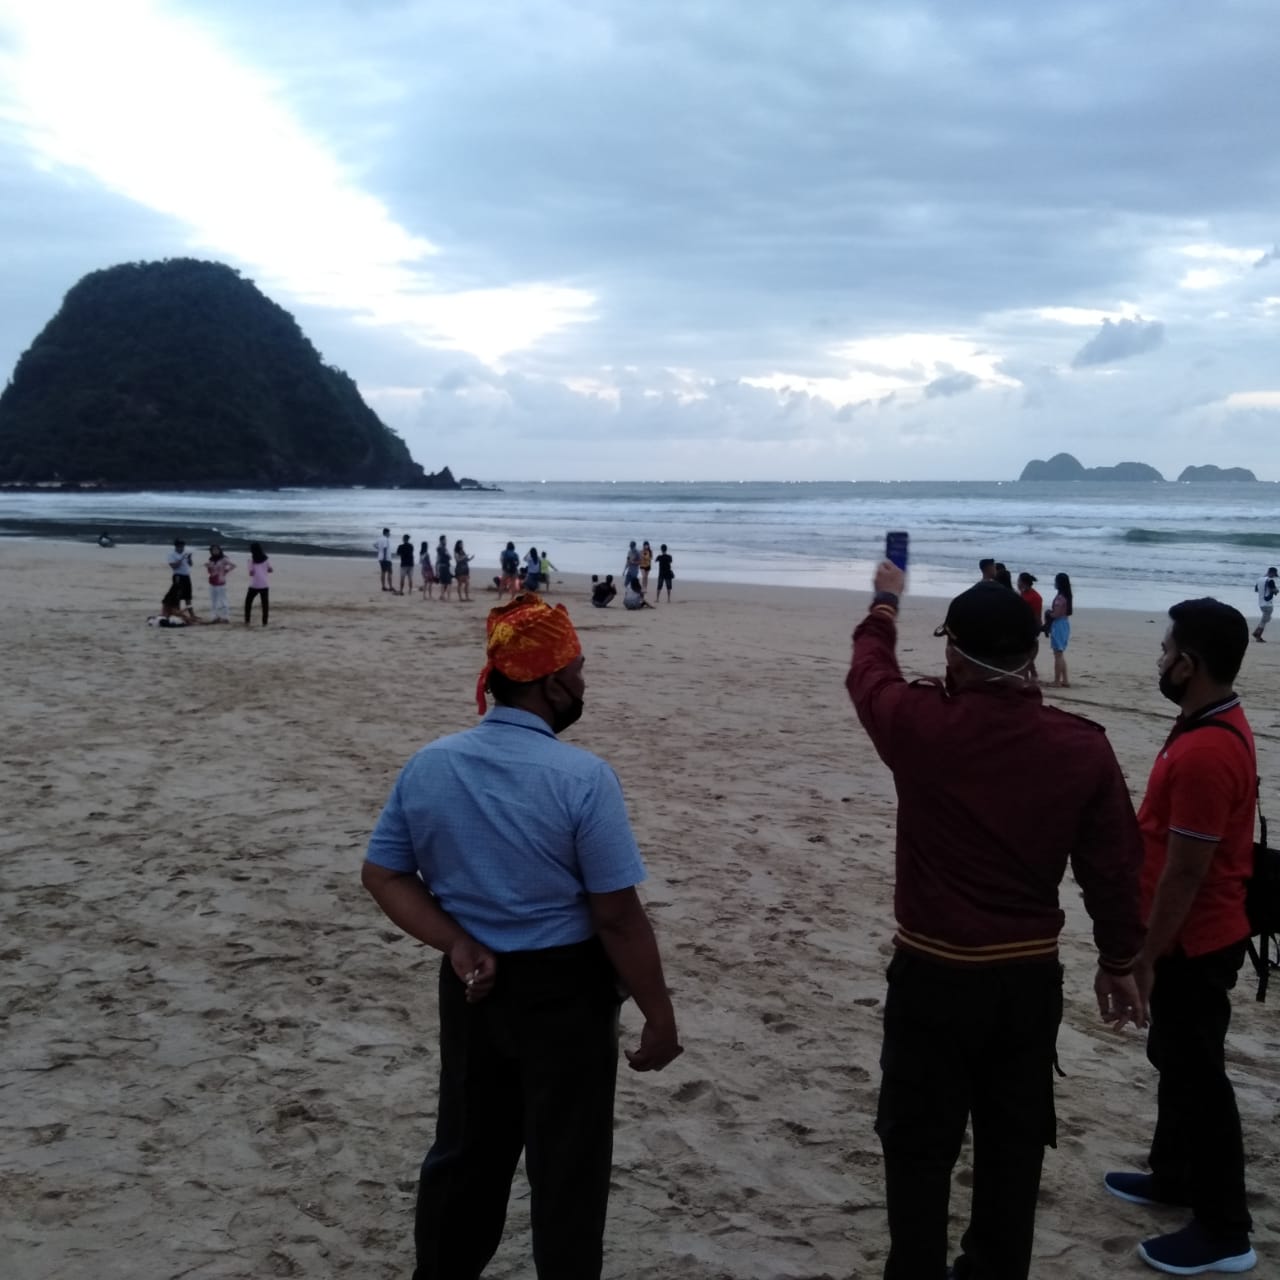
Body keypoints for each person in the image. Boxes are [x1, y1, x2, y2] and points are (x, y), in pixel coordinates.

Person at [361, 593, 682, 1279]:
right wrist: (659, 1013)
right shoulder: (583, 778)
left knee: (467, 1152)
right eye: (581, 670)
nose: (585, 684)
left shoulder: (432, 764)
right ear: (550, 681)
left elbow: (385, 875)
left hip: (474, 985)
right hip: (565, 991)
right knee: (568, 1167)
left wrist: (454, 941)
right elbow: (617, 916)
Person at [847, 568, 1146, 1280]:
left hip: (933, 977)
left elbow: (868, 674)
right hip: (1024, 981)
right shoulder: (1081, 746)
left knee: (917, 1147)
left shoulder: (922, 726)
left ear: (952, 657)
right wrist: (1118, 958)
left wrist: (884, 604)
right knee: (1012, 1149)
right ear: (1033, 655)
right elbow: (1113, 866)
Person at [1104, 599, 1258, 1276]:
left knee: (1199, 1077)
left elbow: (1187, 871)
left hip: (1195, 939)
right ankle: (1173, 1176)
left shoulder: (1205, 749)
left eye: (1166, 650)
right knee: (1175, 1058)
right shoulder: (1205, 721)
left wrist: (1147, 954)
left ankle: (1226, 1231)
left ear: (1188, 663)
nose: (1160, 660)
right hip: (1190, 935)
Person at [1048, 572, 1073, 687]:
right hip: (1065, 623)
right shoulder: (1067, 596)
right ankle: (1065, 679)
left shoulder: (1060, 598)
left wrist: (1049, 613)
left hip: (1058, 624)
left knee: (1057, 654)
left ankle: (1057, 680)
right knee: (1060, 653)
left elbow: (1056, 614)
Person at [1018, 573, 1043, 682]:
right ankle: (1028, 674)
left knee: (1027, 652)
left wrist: (1037, 629)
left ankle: (1032, 674)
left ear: (1023, 582)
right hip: (1022, 626)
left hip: (1031, 627)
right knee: (1024, 652)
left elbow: (1037, 615)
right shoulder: (1023, 594)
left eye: (1019, 581)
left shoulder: (1035, 597)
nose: (1017, 583)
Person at [205, 544, 236, 623]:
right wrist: (208, 567)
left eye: (216, 550)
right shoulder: (211, 560)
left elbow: (233, 565)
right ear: (211, 551)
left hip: (221, 582)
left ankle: (225, 617)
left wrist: (225, 571)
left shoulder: (224, 559)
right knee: (213, 600)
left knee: (223, 600)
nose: (215, 551)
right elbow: (209, 571)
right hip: (212, 581)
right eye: (213, 550)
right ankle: (214, 616)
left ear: (219, 550)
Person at [245, 542, 272, 626]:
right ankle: (265, 622)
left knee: (248, 603)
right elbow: (270, 570)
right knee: (265, 605)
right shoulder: (266, 559)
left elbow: (251, 573)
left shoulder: (251, 560)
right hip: (264, 584)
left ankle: (247, 620)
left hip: (254, 585)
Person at [1253, 566, 1277, 641]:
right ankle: (1258, 636)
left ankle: (1256, 632)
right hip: (1268, 603)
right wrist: (1276, 590)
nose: (1274, 576)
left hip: (1261, 603)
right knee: (1265, 620)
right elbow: (1274, 590)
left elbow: (1256, 590)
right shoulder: (1270, 580)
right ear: (1272, 573)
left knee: (1266, 619)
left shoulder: (1259, 580)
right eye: (1274, 574)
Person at [168, 539, 194, 606]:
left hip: (186, 576)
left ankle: (190, 612)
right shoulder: (172, 555)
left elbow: (191, 564)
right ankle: (177, 609)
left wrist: (189, 558)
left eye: (182, 547)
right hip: (178, 576)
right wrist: (182, 558)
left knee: (188, 595)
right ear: (176, 547)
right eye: (179, 547)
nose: (181, 548)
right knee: (177, 594)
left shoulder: (185, 554)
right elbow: (174, 566)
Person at [376, 528, 394, 592]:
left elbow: (374, 545)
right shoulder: (386, 539)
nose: (389, 534)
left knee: (383, 572)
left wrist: (379, 550)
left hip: (380, 557)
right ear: (386, 533)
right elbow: (385, 548)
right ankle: (390, 586)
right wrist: (385, 557)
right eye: (389, 533)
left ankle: (383, 586)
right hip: (386, 558)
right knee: (390, 572)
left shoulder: (379, 539)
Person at [436, 537, 453, 601]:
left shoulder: (440, 548)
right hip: (444, 567)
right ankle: (447, 597)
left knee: (444, 583)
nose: (446, 541)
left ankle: (442, 596)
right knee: (448, 583)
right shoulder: (442, 548)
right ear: (442, 540)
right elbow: (449, 556)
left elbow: (438, 558)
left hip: (443, 566)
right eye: (445, 540)